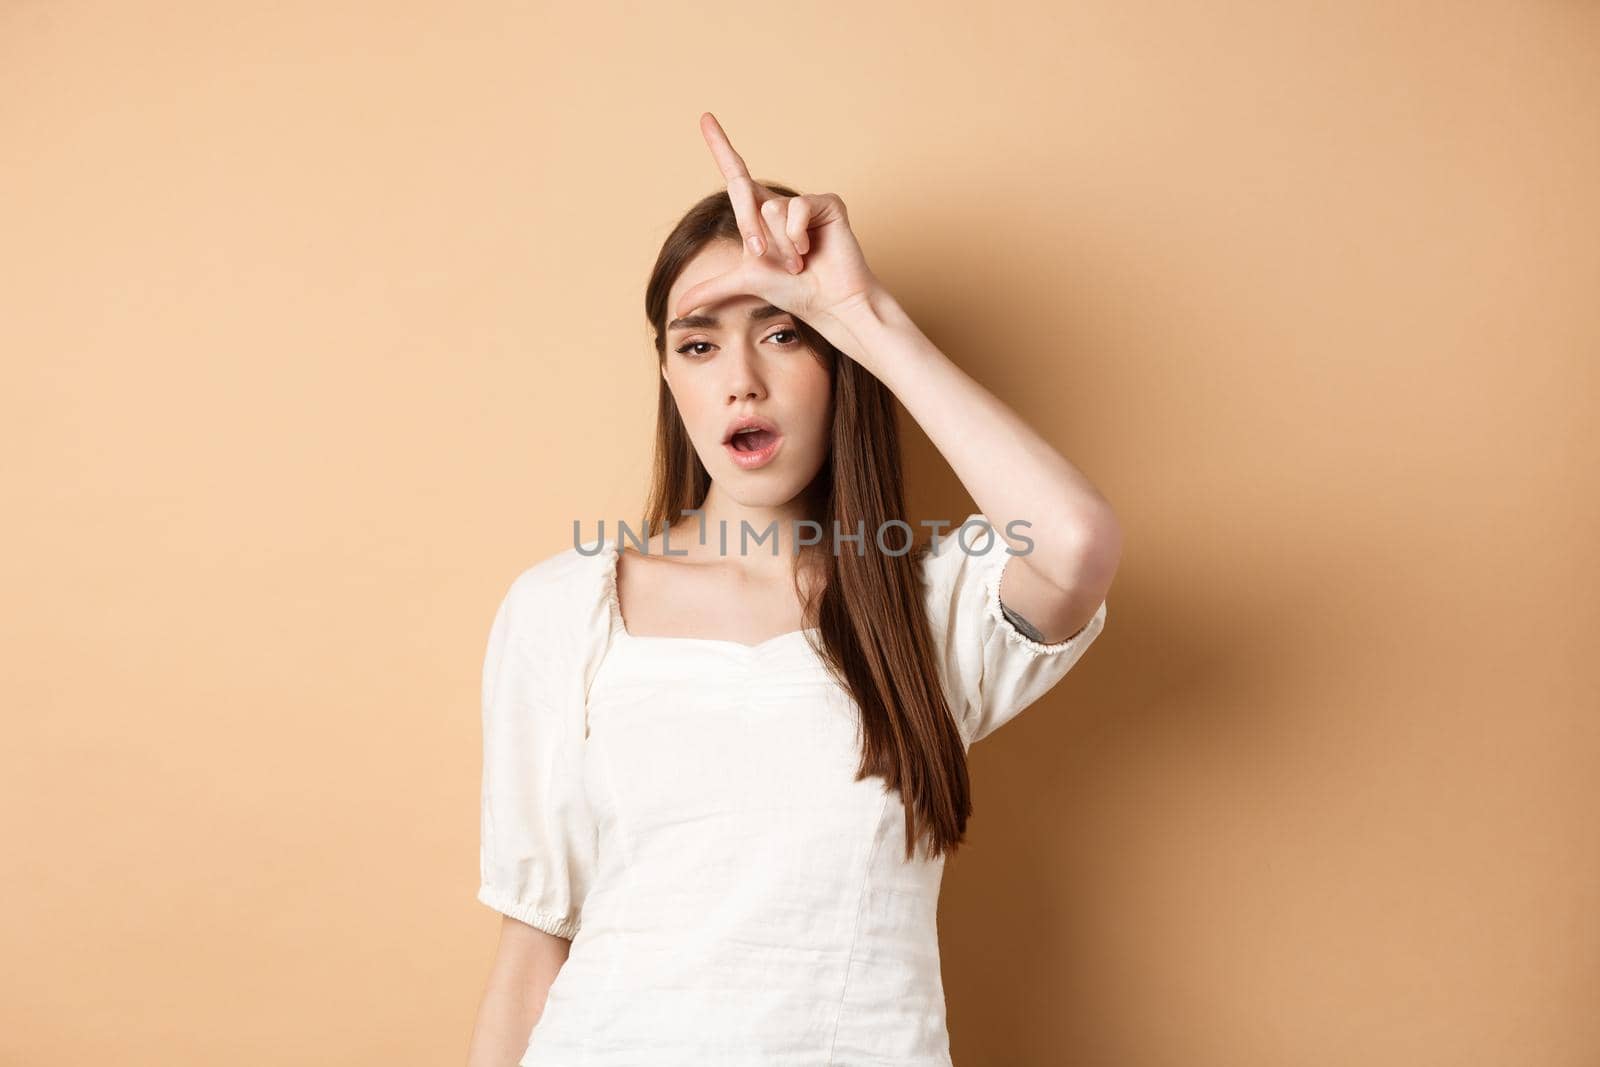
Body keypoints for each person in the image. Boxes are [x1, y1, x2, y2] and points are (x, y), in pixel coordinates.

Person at [465, 113, 1121, 1067]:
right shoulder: (564, 608)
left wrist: (855, 310)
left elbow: (1075, 540)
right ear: (668, 377)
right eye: (698, 345)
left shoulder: (925, 607)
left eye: (783, 335)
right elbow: (531, 948)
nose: (742, 380)